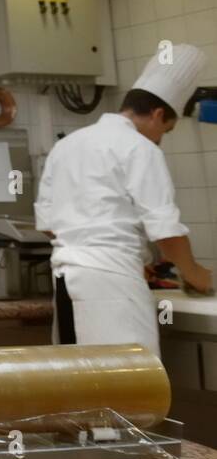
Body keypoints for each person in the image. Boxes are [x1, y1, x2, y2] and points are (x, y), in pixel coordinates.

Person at [35, 44, 213, 356]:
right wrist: (195, 274)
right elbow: (166, 232)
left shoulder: (67, 145)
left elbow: (49, 226)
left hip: (65, 281)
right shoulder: (141, 148)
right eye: (166, 130)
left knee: (77, 386)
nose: (161, 139)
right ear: (158, 114)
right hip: (112, 288)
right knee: (130, 391)